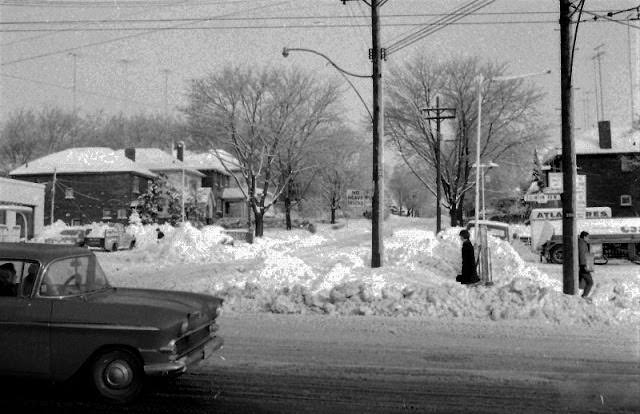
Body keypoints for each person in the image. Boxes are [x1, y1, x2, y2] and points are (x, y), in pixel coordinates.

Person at [578, 231, 594, 298]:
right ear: (584, 237)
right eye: (588, 237)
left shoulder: (582, 243)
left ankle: (581, 296)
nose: (589, 239)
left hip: (583, 265)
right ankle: (584, 297)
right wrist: (585, 266)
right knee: (590, 282)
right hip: (583, 266)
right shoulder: (582, 244)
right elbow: (582, 255)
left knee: (581, 283)